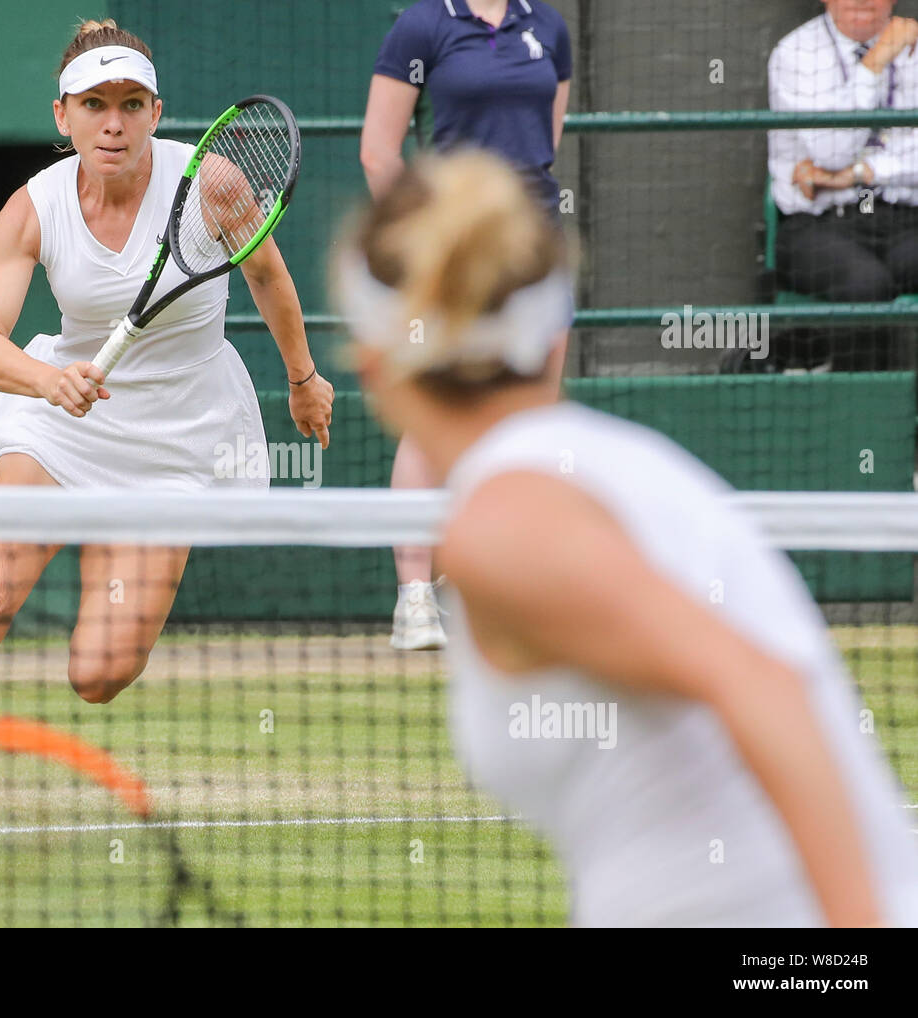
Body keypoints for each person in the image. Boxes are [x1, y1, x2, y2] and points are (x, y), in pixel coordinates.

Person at [335, 149, 918, 926]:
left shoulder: (506, 524)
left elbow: (760, 687)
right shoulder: (610, 466)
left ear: (374, 367)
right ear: (552, 342)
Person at [0, 19, 333, 849]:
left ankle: (112, 547)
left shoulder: (212, 183)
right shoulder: (33, 207)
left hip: (181, 441)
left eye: (131, 104)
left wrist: (302, 378)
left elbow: (268, 275)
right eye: (95, 104)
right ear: (62, 116)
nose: (114, 122)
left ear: (155, 111)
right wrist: (48, 380)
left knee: (98, 677)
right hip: (62, 425)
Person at [360, 0, 572, 650]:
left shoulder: (549, 27)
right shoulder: (422, 26)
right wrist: (429, 242)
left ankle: (500, 595)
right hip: (449, 256)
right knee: (434, 417)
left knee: (528, 423)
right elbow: (378, 152)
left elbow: (547, 143)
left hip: (534, 250)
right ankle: (416, 600)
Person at [764, 0, 918, 371]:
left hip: (903, 219)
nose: (861, 1)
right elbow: (831, 150)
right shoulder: (796, 52)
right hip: (819, 225)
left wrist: (859, 174)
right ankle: (865, 411)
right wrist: (875, 62)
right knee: (864, 286)